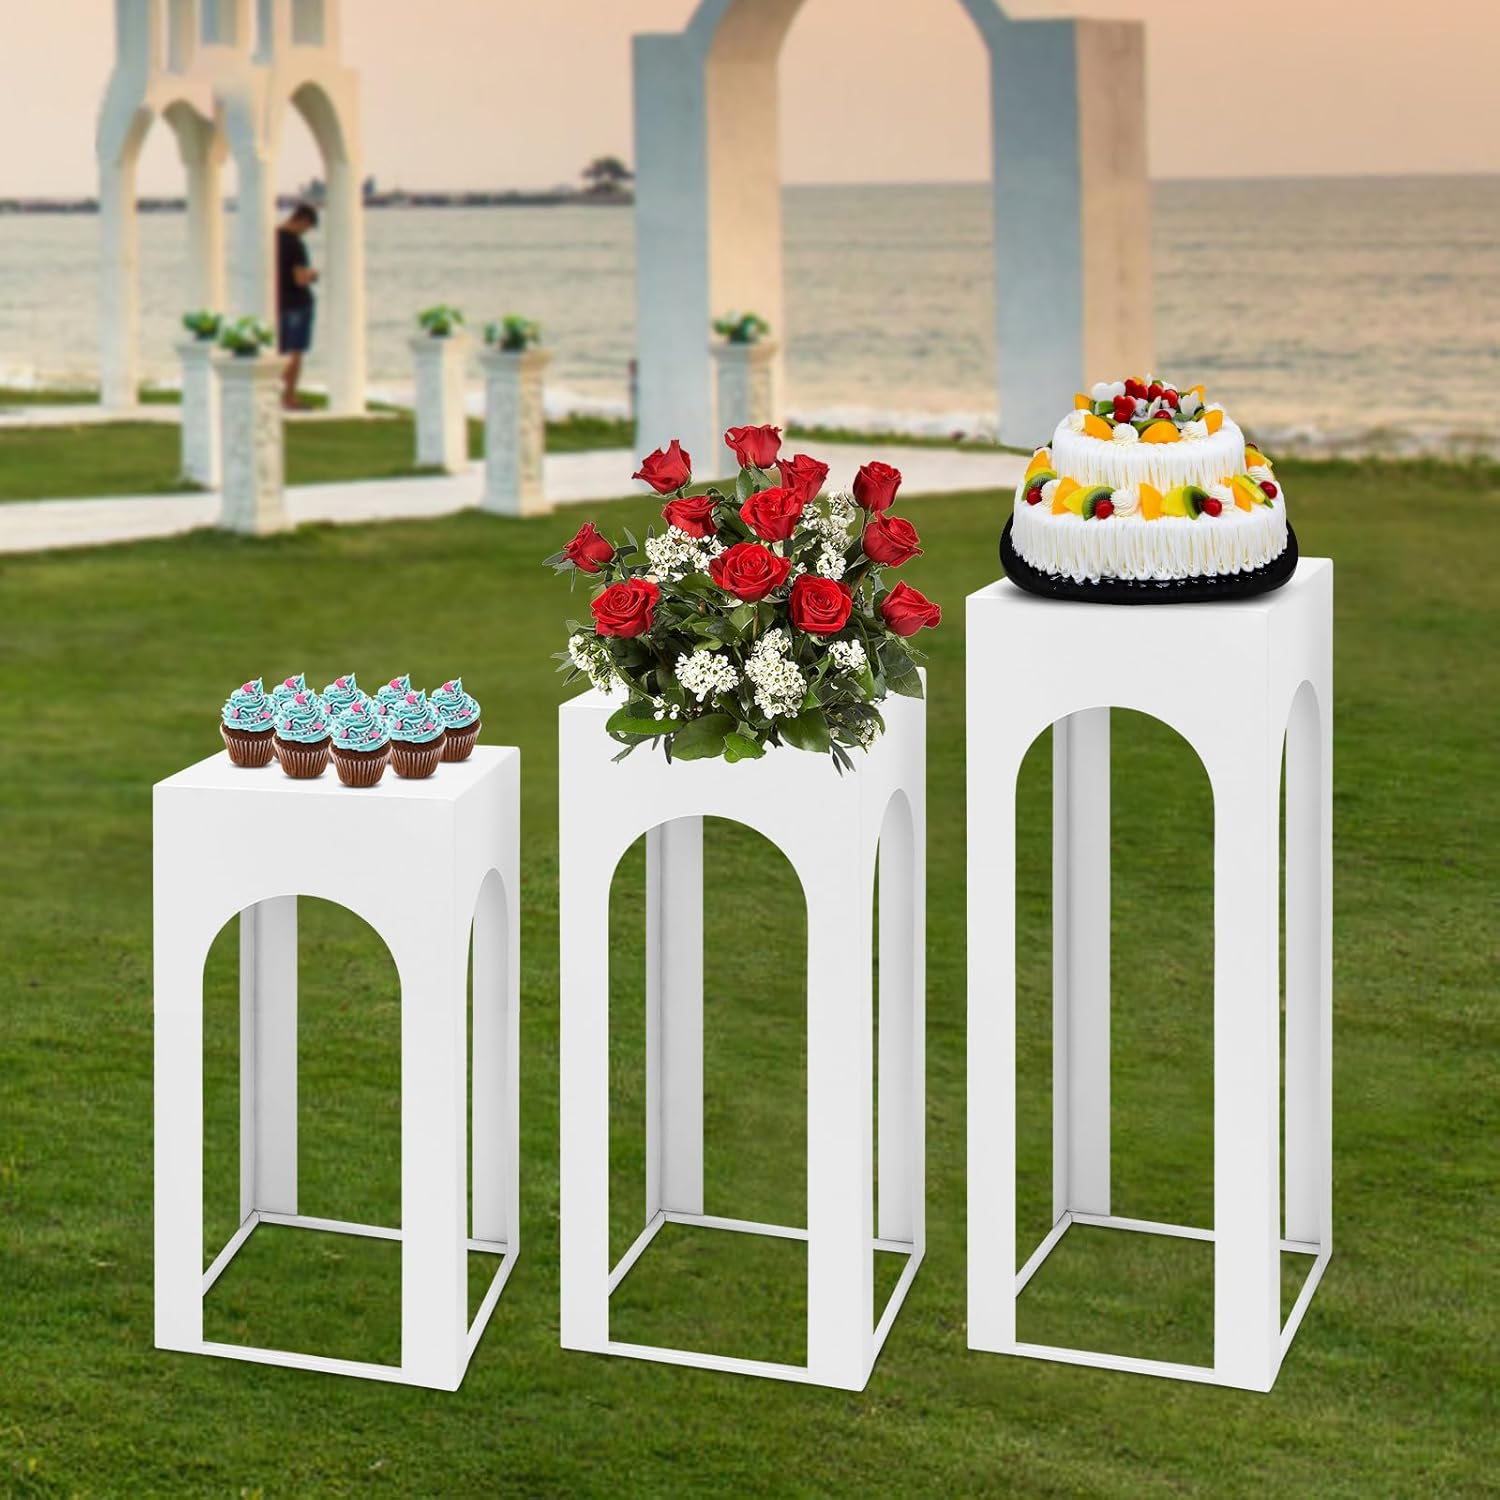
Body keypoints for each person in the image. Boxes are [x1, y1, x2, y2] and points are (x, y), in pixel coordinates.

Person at [276, 203, 320, 410]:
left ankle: (277, 393)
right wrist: (313, 275)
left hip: (278, 301)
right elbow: (300, 279)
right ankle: (289, 396)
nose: (306, 232)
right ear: (302, 220)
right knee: (295, 352)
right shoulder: (295, 245)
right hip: (297, 302)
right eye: (308, 227)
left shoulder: (273, 238)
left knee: (280, 349)